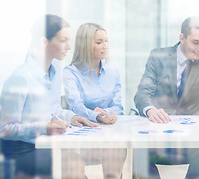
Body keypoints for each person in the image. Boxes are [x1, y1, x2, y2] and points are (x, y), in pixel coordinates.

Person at [0, 14, 96, 179]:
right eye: (63, 40)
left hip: (44, 143)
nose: (68, 47)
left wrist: (72, 117)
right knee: (73, 163)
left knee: (76, 162)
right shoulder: (21, 77)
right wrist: (44, 127)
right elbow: (5, 129)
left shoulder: (55, 70)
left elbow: (53, 108)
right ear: (44, 42)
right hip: (20, 151)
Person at [133, 16, 199, 179]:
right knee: (140, 151)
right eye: (196, 42)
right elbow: (142, 94)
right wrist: (151, 110)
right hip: (158, 131)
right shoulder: (158, 56)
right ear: (182, 38)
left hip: (191, 134)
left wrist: (190, 122)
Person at [64, 22, 126, 179]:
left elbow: (118, 106)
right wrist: (96, 116)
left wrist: (106, 113)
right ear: (85, 45)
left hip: (109, 135)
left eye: (106, 41)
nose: (105, 46)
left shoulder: (113, 71)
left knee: (115, 161)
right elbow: (76, 106)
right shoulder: (71, 72)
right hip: (82, 135)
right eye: (99, 42)